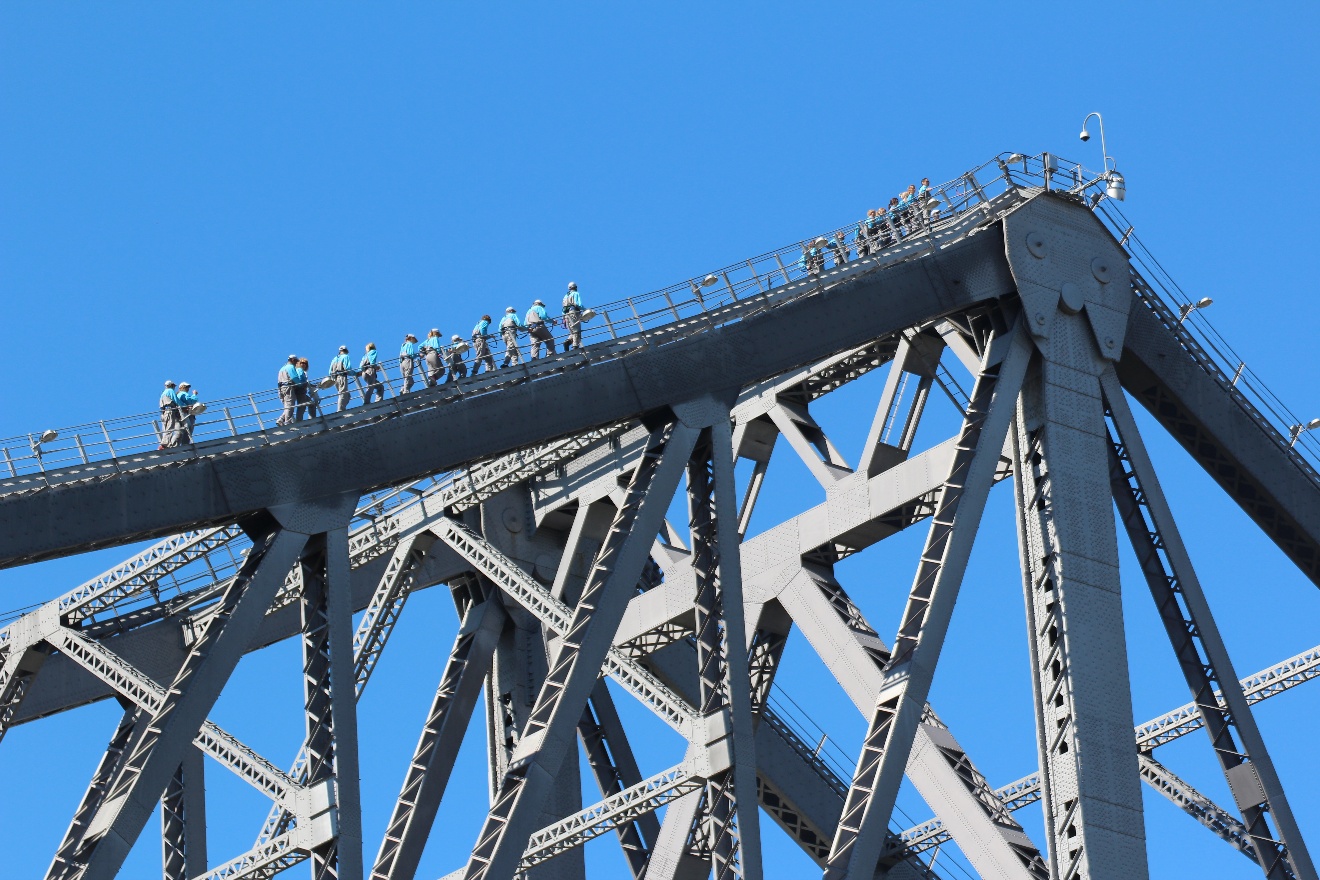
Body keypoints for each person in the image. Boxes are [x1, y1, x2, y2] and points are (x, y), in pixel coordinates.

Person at [329, 345, 355, 412]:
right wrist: (355, 374)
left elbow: (330, 371)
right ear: (346, 351)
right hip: (342, 377)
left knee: (347, 395)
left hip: (335, 379)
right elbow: (348, 368)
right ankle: (340, 410)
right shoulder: (346, 357)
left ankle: (342, 408)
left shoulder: (334, 359)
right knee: (343, 394)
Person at [276, 355, 299, 426]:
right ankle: (287, 423)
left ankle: (281, 419)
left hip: (280, 388)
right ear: (292, 360)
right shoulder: (290, 367)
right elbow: (295, 377)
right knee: (290, 406)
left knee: (287, 406)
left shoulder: (281, 369)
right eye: (295, 361)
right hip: (288, 387)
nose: (296, 363)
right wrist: (301, 384)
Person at [158, 380, 182, 448]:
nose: (174, 387)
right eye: (173, 386)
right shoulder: (170, 391)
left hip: (164, 412)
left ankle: (165, 443)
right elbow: (176, 400)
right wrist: (183, 406)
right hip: (170, 410)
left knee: (165, 428)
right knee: (170, 427)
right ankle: (164, 444)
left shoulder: (163, 393)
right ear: (171, 385)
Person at [562, 282, 584, 352]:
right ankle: (575, 346)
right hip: (574, 312)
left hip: (566, 315)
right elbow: (578, 304)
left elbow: (563, 309)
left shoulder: (565, 296)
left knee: (572, 332)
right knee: (576, 330)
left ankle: (567, 342)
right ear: (575, 287)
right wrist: (586, 310)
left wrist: (564, 319)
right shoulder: (576, 293)